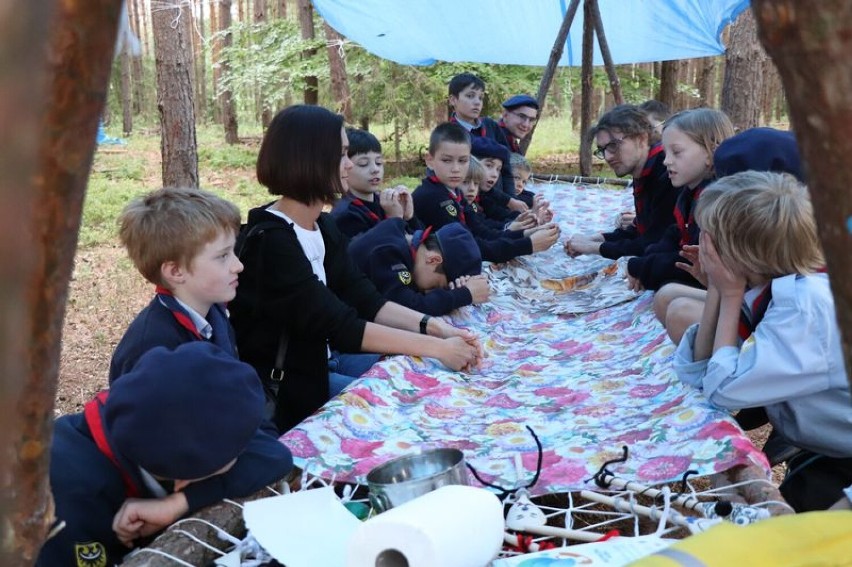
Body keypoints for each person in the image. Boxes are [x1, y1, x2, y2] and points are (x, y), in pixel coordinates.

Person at [229, 105, 482, 432]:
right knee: (409, 414)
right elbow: (342, 326)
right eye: (344, 154)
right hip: (291, 389)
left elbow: (365, 299)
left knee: (422, 380)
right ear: (312, 159)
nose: (349, 164)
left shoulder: (321, 224)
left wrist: (438, 328)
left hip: (325, 361)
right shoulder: (272, 242)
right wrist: (439, 348)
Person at [672, 171, 852, 512]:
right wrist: (716, 289)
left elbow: (723, 387)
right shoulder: (773, 289)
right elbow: (697, 373)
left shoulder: (805, 306)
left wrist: (728, 291)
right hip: (826, 444)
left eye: (708, 235)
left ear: (738, 253)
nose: (702, 240)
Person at [36, 342, 294, 566]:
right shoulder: (64, 502)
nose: (246, 451)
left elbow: (275, 456)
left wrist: (178, 504)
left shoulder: (174, 413)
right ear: (183, 479)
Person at [654, 127, 805, 345]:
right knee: (666, 295)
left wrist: (727, 289)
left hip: (780, 326)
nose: (666, 162)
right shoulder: (764, 221)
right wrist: (714, 279)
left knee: (680, 313)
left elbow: (772, 304)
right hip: (758, 305)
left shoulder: (785, 228)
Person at [110, 187, 244, 381]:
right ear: (176, 271)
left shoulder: (214, 314)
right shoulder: (152, 349)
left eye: (233, 251)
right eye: (222, 256)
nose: (238, 265)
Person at [412, 122, 560, 264]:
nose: (456, 169)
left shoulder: (454, 191)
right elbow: (469, 248)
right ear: (430, 160)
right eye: (447, 160)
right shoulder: (432, 197)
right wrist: (528, 245)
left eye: (463, 161)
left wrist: (526, 233)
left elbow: (481, 232)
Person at [625, 108, 734, 292]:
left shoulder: (717, 204)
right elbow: (677, 233)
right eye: (666, 152)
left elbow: (693, 264)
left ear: (710, 152)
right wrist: (651, 254)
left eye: (676, 152)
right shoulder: (690, 192)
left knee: (669, 298)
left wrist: (642, 267)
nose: (666, 161)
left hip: (723, 292)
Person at [565, 104, 681, 261]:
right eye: (602, 150)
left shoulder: (667, 172)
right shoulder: (644, 169)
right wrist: (594, 239)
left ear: (641, 138)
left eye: (613, 146)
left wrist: (592, 247)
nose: (607, 157)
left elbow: (653, 243)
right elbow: (642, 230)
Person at [348, 221, 490, 315]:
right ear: (433, 259)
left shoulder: (402, 238)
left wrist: (458, 291)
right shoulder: (386, 252)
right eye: (437, 286)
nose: (429, 292)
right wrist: (464, 295)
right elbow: (410, 310)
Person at [447, 72, 527, 213]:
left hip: (502, 203)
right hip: (469, 207)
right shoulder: (450, 133)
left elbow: (506, 168)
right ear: (453, 100)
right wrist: (501, 150)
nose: (477, 102)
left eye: (480, 97)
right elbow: (498, 152)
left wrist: (512, 201)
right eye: (470, 96)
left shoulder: (490, 125)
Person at [331, 128, 420, 240]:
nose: (375, 169)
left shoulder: (384, 203)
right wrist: (394, 221)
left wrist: (409, 217)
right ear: (346, 166)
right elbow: (378, 254)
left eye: (378, 162)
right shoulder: (346, 215)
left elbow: (423, 247)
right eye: (363, 164)